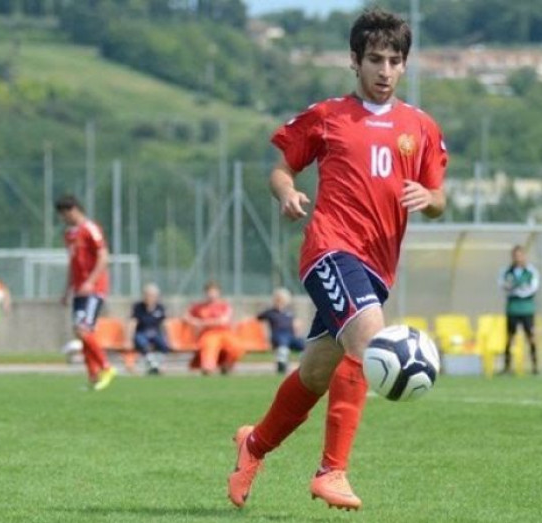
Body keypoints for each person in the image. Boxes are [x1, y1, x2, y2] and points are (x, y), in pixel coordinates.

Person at [227, 8, 447, 512]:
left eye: (394, 61)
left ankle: (253, 445)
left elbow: (439, 198)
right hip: (330, 247)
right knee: (369, 342)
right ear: (355, 60)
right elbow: (280, 169)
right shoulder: (327, 116)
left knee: (315, 374)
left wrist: (428, 199)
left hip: (377, 267)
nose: (385, 70)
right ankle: (332, 472)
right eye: (375, 59)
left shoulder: (421, 127)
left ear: (405, 65)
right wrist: (286, 193)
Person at [56, 194, 117, 391]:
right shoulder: (69, 235)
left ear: (73, 210)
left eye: (64, 214)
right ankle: (93, 376)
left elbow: (104, 257)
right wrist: (67, 290)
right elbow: (72, 264)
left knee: (83, 330)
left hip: (94, 289)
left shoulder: (90, 228)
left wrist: (91, 281)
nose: (63, 219)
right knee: (80, 332)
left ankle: (106, 367)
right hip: (79, 290)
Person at [498, 245, 540, 375]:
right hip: (513, 309)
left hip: (527, 309)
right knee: (510, 338)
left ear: (524, 256)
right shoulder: (507, 271)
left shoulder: (531, 271)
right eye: (515, 256)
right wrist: (515, 288)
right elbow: (503, 285)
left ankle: (535, 367)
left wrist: (518, 290)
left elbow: (533, 288)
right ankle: (507, 367)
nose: (518, 258)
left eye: (520, 255)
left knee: (531, 337)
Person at [185, 280, 242, 375]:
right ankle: (208, 367)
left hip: (224, 332)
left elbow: (224, 320)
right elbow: (187, 317)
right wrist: (195, 322)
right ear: (206, 293)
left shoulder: (224, 306)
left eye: (214, 292)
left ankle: (226, 364)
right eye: (209, 292)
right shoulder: (199, 307)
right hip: (208, 333)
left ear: (219, 293)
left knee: (236, 346)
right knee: (210, 345)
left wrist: (203, 322)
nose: (212, 295)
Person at [257, 287, 305, 374]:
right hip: (278, 335)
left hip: (291, 335)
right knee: (283, 342)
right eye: (278, 299)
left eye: (282, 300)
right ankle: (281, 363)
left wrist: (297, 328)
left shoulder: (289, 312)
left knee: (304, 343)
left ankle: (305, 363)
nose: (280, 302)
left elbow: (296, 324)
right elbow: (257, 319)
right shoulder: (270, 312)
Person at [127, 283, 170, 375]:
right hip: (141, 332)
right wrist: (128, 338)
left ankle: (156, 365)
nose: (150, 297)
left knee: (163, 344)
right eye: (148, 295)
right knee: (142, 342)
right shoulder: (138, 307)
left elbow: (164, 324)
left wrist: (169, 338)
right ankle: (153, 365)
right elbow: (133, 323)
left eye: (153, 295)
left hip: (155, 333)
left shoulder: (160, 308)